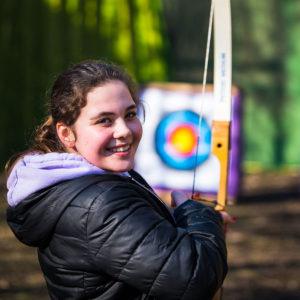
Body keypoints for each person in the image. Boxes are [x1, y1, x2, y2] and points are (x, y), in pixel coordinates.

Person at [6, 60, 229, 300]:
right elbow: (196, 279)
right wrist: (197, 216)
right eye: (104, 120)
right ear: (66, 134)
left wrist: (201, 224)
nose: (124, 130)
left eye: (130, 114)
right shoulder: (99, 204)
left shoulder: (90, 186)